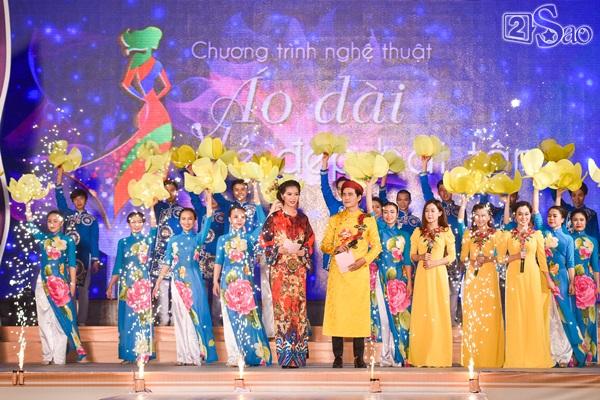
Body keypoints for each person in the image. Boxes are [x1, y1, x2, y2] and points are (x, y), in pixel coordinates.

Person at [321, 180, 382, 368]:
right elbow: (324, 245)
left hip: (358, 272)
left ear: (359, 197)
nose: (346, 198)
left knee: (358, 312)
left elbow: (377, 247)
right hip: (339, 272)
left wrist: (363, 261)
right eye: (344, 194)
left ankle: (359, 357)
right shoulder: (335, 219)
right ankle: (337, 356)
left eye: (350, 194)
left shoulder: (367, 220)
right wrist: (335, 248)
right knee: (338, 312)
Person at [152, 203, 217, 366]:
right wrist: (158, 281)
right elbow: (167, 262)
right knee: (180, 318)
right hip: (177, 282)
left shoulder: (198, 238)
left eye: (190, 219)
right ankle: (182, 357)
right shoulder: (173, 240)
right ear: (179, 221)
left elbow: (208, 219)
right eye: (183, 219)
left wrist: (209, 199)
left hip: (193, 281)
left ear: (194, 221)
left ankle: (195, 356)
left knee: (192, 316)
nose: (186, 222)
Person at [260, 180, 315, 368]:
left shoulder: (303, 219)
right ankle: (285, 357)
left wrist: (303, 251)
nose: (293, 197)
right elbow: (265, 241)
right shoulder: (274, 218)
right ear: (282, 195)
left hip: (298, 270)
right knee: (282, 310)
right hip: (281, 271)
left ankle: (298, 356)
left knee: (299, 309)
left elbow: (310, 242)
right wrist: (278, 249)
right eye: (289, 194)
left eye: (296, 194)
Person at [214, 191, 271, 367]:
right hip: (227, 283)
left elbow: (262, 223)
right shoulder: (223, 239)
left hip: (245, 284)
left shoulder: (250, 238)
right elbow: (218, 261)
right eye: (236, 217)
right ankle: (234, 356)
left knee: (247, 318)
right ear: (229, 219)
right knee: (229, 319)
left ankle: (248, 354)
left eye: (242, 217)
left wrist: (258, 203)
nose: (239, 220)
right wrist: (215, 281)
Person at [25, 203, 87, 364]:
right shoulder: (44, 239)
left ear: (61, 222)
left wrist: (72, 284)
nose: (52, 224)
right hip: (43, 282)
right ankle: (47, 356)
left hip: (60, 283)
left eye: (55, 221)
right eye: (49, 221)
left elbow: (72, 264)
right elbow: (31, 227)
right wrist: (28, 208)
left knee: (61, 320)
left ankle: (59, 358)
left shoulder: (68, 240)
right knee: (44, 319)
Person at [532, 188, 586, 367]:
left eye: (555, 216)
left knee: (565, 314)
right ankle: (549, 353)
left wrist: (572, 282)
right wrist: (536, 189)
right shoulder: (542, 233)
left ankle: (571, 354)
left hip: (562, 278)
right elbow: (536, 212)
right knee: (547, 315)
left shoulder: (568, 239)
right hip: (543, 277)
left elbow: (570, 263)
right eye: (549, 216)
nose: (551, 218)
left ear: (563, 219)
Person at [497, 200, 555, 368]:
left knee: (532, 313)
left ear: (531, 216)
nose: (523, 217)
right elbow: (500, 258)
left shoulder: (537, 235)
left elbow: (542, 260)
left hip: (532, 276)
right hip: (514, 277)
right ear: (515, 216)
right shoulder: (507, 235)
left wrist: (548, 279)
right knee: (516, 314)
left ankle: (535, 356)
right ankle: (516, 357)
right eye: (520, 214)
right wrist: (515, 257)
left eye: (526, 214)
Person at [366, 181, 412, 367]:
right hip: (381, 278)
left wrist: (409, 283)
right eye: (385, 212)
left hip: (399, 281)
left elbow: (407, 261)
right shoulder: (377, 230)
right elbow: (370, 211)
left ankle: (400, 355)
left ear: (397, 213)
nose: (388, 215)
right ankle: (386, 356)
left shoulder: (404, 235)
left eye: (392, 212)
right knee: (384, 318)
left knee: (400, 319)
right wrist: (369, 188)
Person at [106, 208, 157, 364]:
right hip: (126, 284)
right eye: (133, 222)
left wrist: (152, 207)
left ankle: (143, 353)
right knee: (126, 319)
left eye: (139, 222)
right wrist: (110, 285)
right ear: (128, 224)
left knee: (143, 318)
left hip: (142, 283)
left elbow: (154, 227)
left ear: (143, 223)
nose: (136, 224)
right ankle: (128, 354)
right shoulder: (123, 242)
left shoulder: (148, 240)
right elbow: (118, 265)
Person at [457, 198, 504, 368]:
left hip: (489, 276)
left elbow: (501, 258)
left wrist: (488, 259)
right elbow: (463, 257)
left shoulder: (496, 234)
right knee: (473, 314)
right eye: (477, 215)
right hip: (473, 276)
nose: (480, 219)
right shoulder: (468, 234)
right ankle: (473, 357)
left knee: (490, 315)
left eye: (483, 215)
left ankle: (491, 357)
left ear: (489, 217)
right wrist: (472, 260)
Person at [408, 199, 456, 367]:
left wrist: (435, 262)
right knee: (422, 311)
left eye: (433, 211)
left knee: (438, 311)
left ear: (440, 213)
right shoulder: (417, 232)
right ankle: (420, 356)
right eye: (427, 211)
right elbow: (412, 255)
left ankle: (438, 355)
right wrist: (421, 257)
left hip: (438, 274)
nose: (429, 214)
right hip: (422, 275)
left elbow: (452, 256)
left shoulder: (446, 231)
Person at [419, 156, 462, 326]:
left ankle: (450, 322)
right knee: (436, 291)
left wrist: (460, 255)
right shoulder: (436, 209)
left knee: (454, 291)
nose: (444, 193)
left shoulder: (460, 210)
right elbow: (426, 192)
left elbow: (462, 232)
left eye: (447, 190)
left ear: (452, 191)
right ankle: (436, 323)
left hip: (453, 256)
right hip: (435, 257)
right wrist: (424, 168)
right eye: (441, 190)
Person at [55, 167, 100, 326]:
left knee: (83, 291)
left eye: (81, 199)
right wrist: (59, 177)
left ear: (85, 200)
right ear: (73, 201)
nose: (78, 201)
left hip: (84, 258)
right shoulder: (67, 216)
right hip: (67, 258)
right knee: (67, 288)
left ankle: (81, 321)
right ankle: (70, 319)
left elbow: (94, 240)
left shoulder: (91, 220)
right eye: (75, 199)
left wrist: (95, 260)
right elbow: (60, 200)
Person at [186, 173, 226, 325]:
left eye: (214, 196)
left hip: (218, 256)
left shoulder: (225, 211)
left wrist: (212, 187)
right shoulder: (202, 211)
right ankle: (203, 323)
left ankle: (217, 323)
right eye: (209, 196)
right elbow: (194, 197)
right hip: (202, 256)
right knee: (202, 290)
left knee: (217, 291)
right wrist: (192, 177)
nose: (212, 199)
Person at [151, 179, 184, 326]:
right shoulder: (158, 208)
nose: (169, 193)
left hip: (178, 255)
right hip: (161, 254)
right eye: (166, 190)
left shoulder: (182, 211)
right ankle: (164, 320)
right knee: (162, 287)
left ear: (177, 192)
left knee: (177, 287)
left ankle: (177, 322)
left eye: (172, 190)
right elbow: (152, 227)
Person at [569, 209, 599, 366]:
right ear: (571, 222)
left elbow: (595, 265)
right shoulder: (568, 238)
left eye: (581, 219)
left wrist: (598, 285)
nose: (578, 222)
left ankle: (590, 356)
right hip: (571, 284)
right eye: (575, 220)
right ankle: (576, 356)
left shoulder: (592, 240)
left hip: (588, 285)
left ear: (586, 222)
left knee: (590, 320)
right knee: (574, 319)